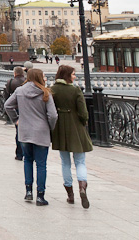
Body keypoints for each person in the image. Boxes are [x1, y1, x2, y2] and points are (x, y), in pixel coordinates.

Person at [4, 68, 58, 206]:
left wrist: (16, 120)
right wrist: (50, 127)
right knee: (41, 164)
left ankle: (28, 191)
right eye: (44, 76)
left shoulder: (20, 91)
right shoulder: (45, 93)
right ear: (39, 77)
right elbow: (53, 115)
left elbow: (7, 105)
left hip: (25, 131)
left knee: (27, 160)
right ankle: (40, 196)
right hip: (41, 132)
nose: (45, 78)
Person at [51, 65, 92, 208]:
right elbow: (83, 112)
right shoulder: (75, 90)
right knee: (80, 161)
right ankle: (82, 187)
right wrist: (83, 122)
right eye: (73, 74)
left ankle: (70, 194)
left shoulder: (53, 90)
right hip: (76, 127)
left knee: (65, 162)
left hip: (60, 128)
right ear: (67, 75)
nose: (75, 77)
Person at [5, 66, 27, 158]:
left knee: (18, 132)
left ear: (14, 73)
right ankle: (28, 153)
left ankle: (19, 153)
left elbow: (6, 98)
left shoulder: (10, 82)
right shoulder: (27, 82)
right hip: (26, 109)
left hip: (15, 108)